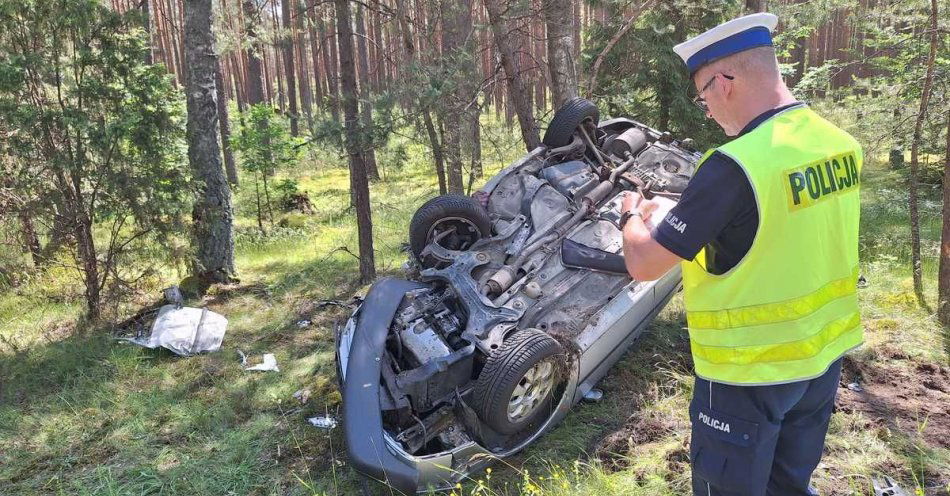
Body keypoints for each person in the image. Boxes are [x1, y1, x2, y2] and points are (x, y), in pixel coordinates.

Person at [617, 13, 864, 496]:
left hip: (745, 377)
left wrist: (630, 215)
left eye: (704, 93)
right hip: (819, 361)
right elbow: (778, 225)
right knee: (789, 485)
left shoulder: (733, 165)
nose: (706, 108)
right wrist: (689, 212)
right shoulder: (838, 144)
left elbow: (643, 263)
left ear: (725, 81)